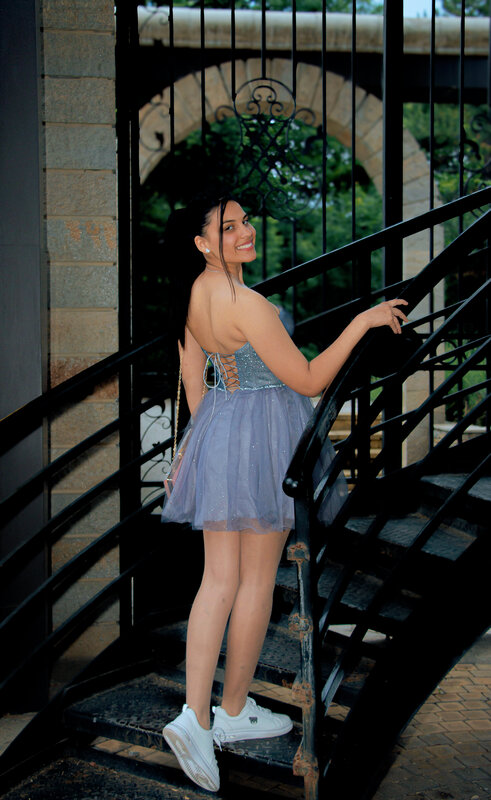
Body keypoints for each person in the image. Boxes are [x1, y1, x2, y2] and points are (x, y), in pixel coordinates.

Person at [160, 194, 408, 792]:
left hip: (221, 429)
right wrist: (362, 321)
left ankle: (206, 714)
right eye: (228, 227)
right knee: (252, 582)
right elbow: (309, 379)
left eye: (245, 221)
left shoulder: (195, 293)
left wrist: (198, 448)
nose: (244, 231)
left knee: (217, 580)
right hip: (265, 440)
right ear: (203, 243)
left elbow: (192, 374)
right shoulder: (245, 304)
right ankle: (217, 714)